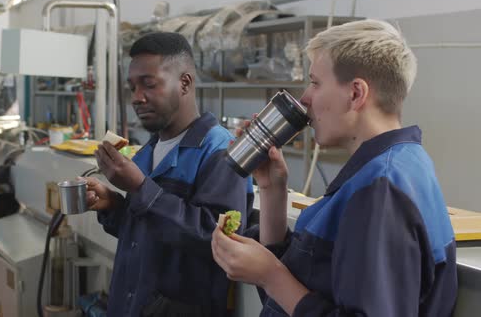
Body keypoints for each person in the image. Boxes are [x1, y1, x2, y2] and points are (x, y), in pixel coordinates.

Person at [211, 19, 457, 316]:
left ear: (356, 93)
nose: (304, 97)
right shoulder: (395, 166)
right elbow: (305, 291)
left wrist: (270, 275)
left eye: (315, 82)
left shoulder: (380, 191)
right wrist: (272, 190)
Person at [84, 32, 254, 317]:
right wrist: (115, 206)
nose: (137, 98)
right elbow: (148, 230)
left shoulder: (222, 152)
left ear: (185, 83)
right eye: (133, 87)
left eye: (149, 85)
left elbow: (217, 240)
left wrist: (140, 189)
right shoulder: (146, 153)